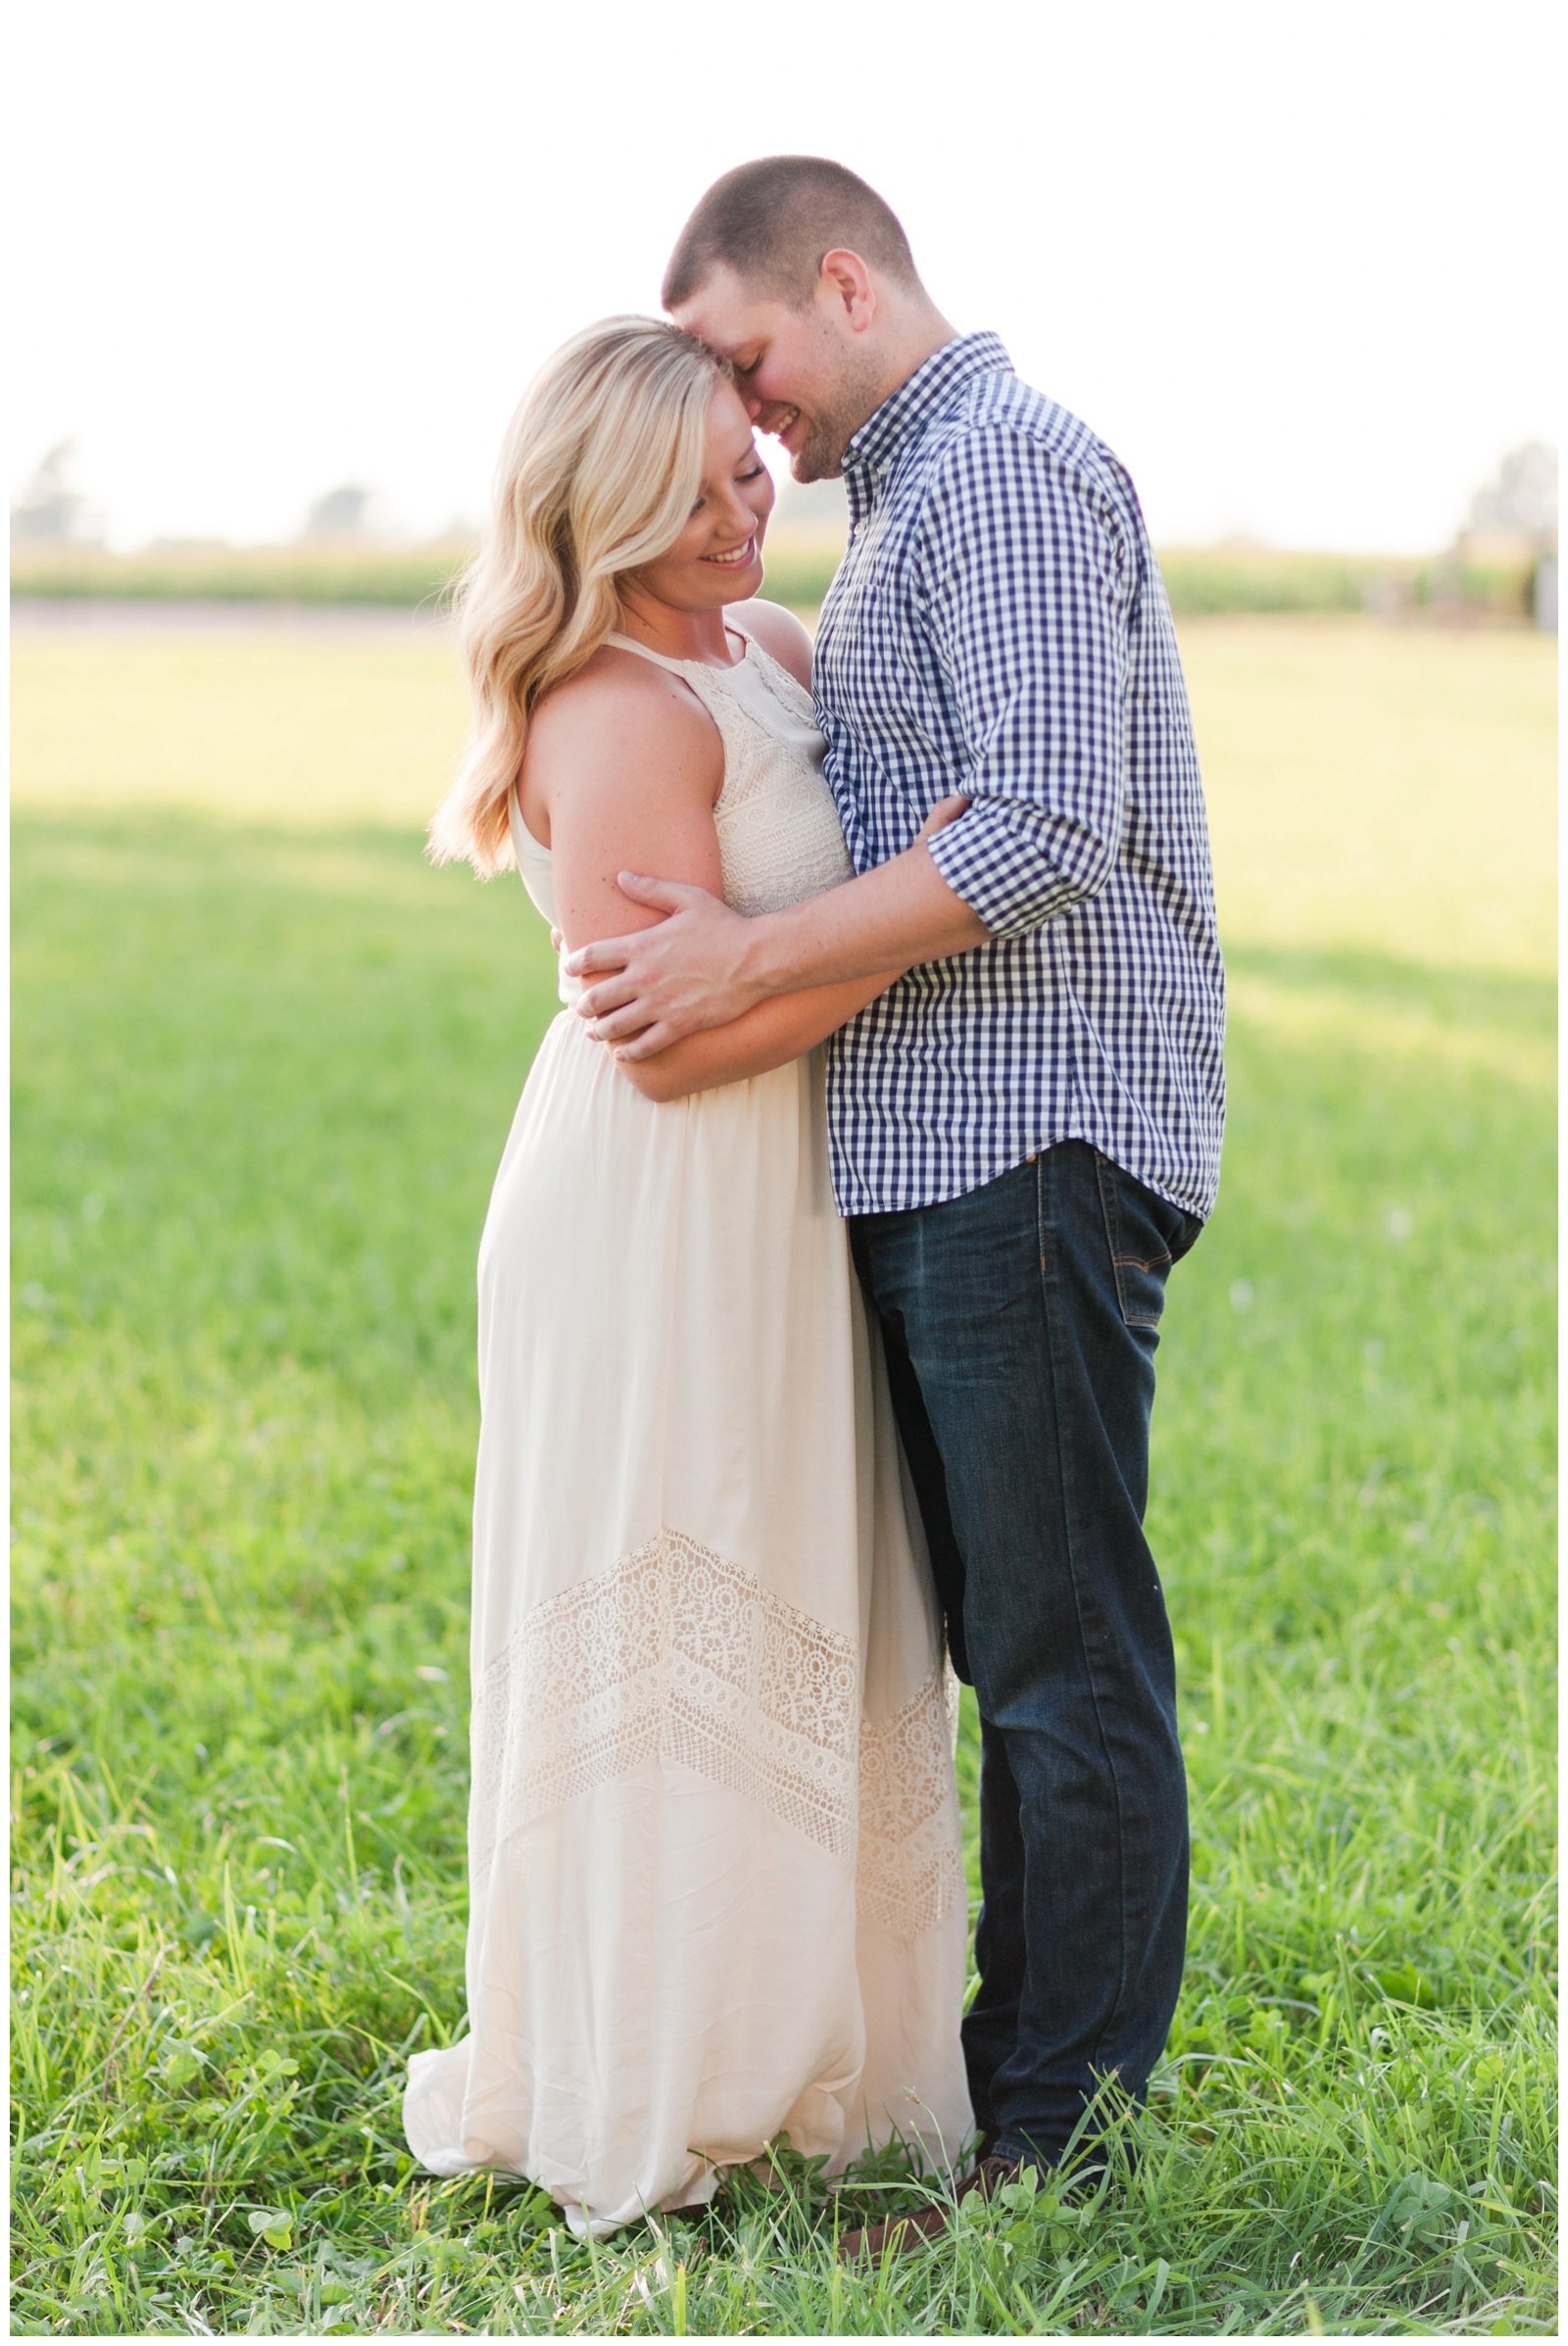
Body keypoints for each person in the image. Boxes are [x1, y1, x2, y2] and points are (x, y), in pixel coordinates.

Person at [565, 158, 1227, 2238]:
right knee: (1007, 1647)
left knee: (1054, 1654)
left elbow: (1031, 829)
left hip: (1025, 1135)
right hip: (949, 1138)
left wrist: (743, 959)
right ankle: (1007, 2085)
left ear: (842, 281)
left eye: (754, 364)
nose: (751, 423)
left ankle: (1058, 2144)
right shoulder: (911, 506)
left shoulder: (1004, 473)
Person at [403, 317, 974, 2238]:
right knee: (676, 1582)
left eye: (757, 464)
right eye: (722, 480)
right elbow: (676, 1040)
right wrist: (921, 930)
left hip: (789, 1191)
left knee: (799, 1574)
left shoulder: (767, 650)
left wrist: (882, 921)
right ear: (625, 501)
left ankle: (809, 2049)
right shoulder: (614, 709)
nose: (763, 496)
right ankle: (654, 2069)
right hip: (662, 1198)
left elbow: (762, 954)